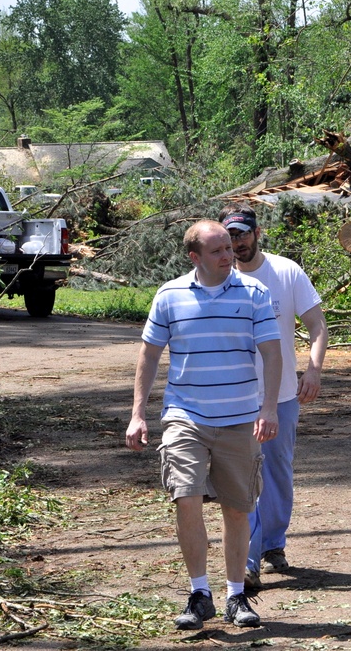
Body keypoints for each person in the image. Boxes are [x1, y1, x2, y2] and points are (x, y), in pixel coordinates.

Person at [125, 220, 282, 630]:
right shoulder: (170, 295)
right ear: (195, 257)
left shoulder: (255, 293)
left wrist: (269, 408)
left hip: (240, 420)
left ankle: (236, 596)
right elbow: (150, 355)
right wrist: (138, 413)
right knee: (186, 497)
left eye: (229, 248)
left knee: (237, 509)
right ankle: (199, 593)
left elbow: (272, 353)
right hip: (185, 416)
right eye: (218, 251)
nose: (228, 256)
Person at [217, 204, 328, 591]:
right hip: (235, 397)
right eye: (230, 236)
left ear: (257, 232)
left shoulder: (285, 272)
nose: (237, 243)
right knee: (245, 477)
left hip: (281, 396)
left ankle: (273, 543)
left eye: (243, 234)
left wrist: (312, 370)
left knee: (277, 473)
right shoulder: (217, 276)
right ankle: (249, 559)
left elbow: (316, 324)